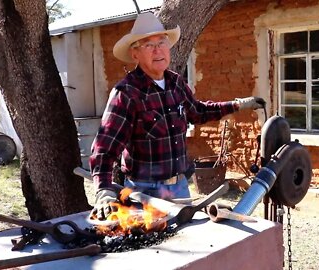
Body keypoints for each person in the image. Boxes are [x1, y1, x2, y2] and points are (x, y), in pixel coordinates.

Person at [89, 12, 265, 220]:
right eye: (148, 45)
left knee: (188, 244)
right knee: (153, 250)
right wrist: (104, 190)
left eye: (161, 43)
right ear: (135, 54)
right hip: (145, 193)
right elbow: (104, 147)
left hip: (181, 188)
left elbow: (198, 112)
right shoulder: (127, 93)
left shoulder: (176, 83)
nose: (158, 50)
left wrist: (237, 105)